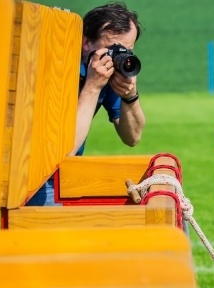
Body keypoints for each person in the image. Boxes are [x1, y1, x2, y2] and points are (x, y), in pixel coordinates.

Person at [27, 2, 146, 206]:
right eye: (112, 48)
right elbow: (63, 152)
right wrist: (92, 87)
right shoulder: (57, 69)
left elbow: (133, 137)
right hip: (36, 173)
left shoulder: (106, 72)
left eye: (127, 50)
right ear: (86, 43)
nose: (119, 57)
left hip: (65, 174)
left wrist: (129, 96)